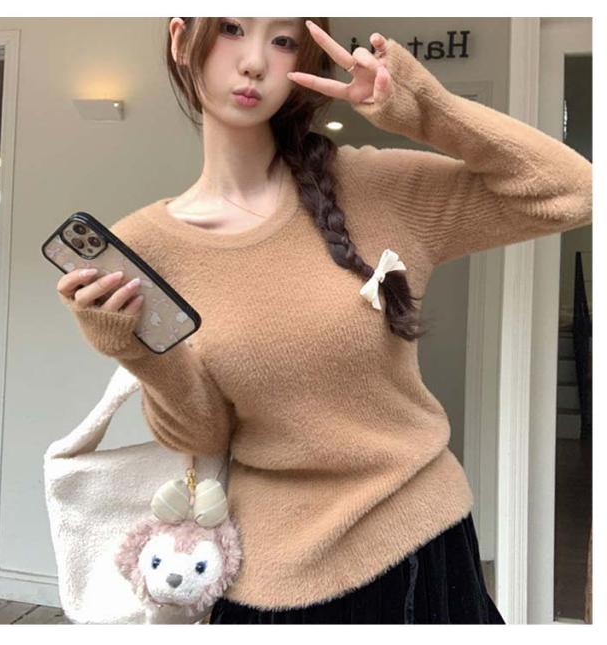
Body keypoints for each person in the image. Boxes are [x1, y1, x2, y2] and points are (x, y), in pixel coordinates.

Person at [56, 17, 592, 624]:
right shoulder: (143, 246)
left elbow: (572, 192)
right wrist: (136, 349)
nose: (254, 61)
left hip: (416, 542)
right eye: (231, 28)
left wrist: (424, 107)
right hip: (266, 571)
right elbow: (203, 433)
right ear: (181, 40)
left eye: (283, 40)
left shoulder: (374, 187)